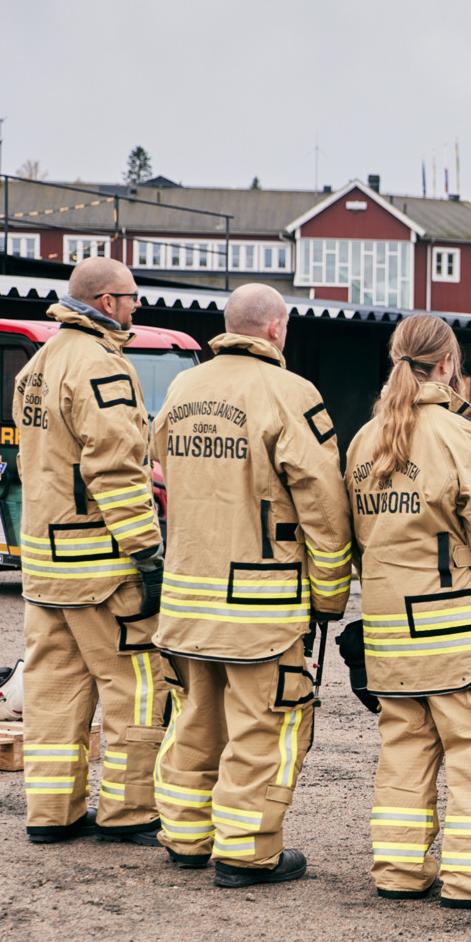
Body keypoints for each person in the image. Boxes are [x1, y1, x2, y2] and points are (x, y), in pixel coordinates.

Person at [149, 284, 353, 887]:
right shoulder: (292, 394)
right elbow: (323, 501)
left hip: (186, 600)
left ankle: (185, 837)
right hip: (261, 604)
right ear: (276, 328)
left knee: (194, 719)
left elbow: (156, 454)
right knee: (264, 723)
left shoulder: (186, 386)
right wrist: (331, 593)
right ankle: (245, 851)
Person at [344, 314, 471, 909]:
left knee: (405, 750)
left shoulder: (363, 440)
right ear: (449, 365)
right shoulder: (465, 438)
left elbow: (353, 541)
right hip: (458, 635)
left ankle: (399, 871)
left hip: (386, 632)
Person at [12, 256, 169, 846]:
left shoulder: (37, 364)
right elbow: (115, 470)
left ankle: (52, 814)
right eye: (131, 298)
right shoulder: (102, 366)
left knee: (53, 691)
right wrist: (147, 552)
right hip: (101, 568)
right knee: (137, 684)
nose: (135, 308)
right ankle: (129, 813)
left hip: (44, 567)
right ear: (106, 302)